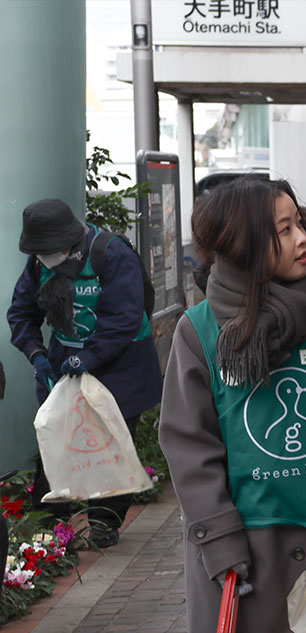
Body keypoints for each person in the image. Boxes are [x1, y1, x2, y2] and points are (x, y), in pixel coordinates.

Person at [158, 177, 306, 632]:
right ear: (244, 244)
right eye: (283, 230)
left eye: (299, 224)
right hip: (244, 563)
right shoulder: (199, 331)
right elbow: (189, 446)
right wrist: (219, 541)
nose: (303, 238)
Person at [7, 199, 162, 547]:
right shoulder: (39, 265)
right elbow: (20, 314)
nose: (43, 258)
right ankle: (51, 525)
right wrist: (37, 355)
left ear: (68, 243)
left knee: (112, 441)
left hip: (121, 363)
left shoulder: (111, 253)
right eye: (38, 252)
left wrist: (88, 358)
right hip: (65, 361)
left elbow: (122, 318)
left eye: (49, 251)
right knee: (56, 436)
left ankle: (105, 522)